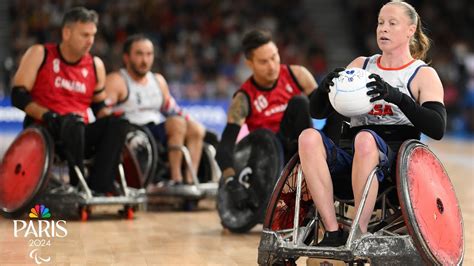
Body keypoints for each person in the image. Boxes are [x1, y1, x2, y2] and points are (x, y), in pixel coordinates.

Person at [299, 0, 447, 247]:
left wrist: (397, 96)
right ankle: (333, 232)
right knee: (308, 137)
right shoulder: (360, 65)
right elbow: (319, 111)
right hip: (351, 154)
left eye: (392, 23)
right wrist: (323, 90)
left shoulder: (422, 74)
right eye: (380, 23)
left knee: (365, 139)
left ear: (411, 30)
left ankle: (359, 231)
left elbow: (437, 128)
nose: (383, 29)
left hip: (393, 165)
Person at [11, 7, 129, 194]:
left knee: (119, 123)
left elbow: (98, 106)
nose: (90, 41)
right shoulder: (40, 54)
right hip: (47, 127)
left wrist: (109, 116)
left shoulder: (94, 64)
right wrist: (48, 115)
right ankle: (77, 186)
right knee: (73, 122)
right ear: (67, 33)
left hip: (79, 129)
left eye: (93, 35)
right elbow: (18, 95)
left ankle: (99, 186)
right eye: (84, 35)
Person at [216, 29, 341, 188]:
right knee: (299, 103)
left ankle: (333, 168)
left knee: (334, 109)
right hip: (269, 158)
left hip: (302, 145)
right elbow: (225, 146)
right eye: (263, 62)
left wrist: (328, 91)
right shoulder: (243, 98)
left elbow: (322, 112)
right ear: (250, 64)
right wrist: (229, 179)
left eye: (274, 57)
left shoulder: (298, 74)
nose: (272, 66)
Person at [105, 34, 205, 185]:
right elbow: (103, 112)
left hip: (156, 128)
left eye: (149, 54)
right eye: (139, 54)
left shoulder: (158, 80)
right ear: (126, 57)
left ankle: (191, 181)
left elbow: (172, 108)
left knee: (197, 129)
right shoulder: (117, 80)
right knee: (177, 124)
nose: (145, 60)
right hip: (133, 130)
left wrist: (192, 121)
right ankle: (176, 179)